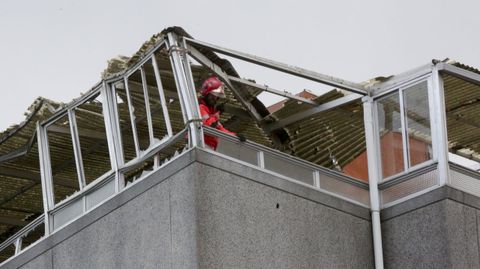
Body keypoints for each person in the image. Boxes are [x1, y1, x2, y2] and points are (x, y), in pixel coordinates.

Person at [198, 76, 246, 150]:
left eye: (216, 97)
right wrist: (217, 114)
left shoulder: (211, 114)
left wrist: (235, 136)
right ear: (207, 94)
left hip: (209, 147)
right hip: (200, 144)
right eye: (213, 96)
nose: (214, 99)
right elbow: (208, 125)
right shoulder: (201, 108)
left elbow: (221, 130)